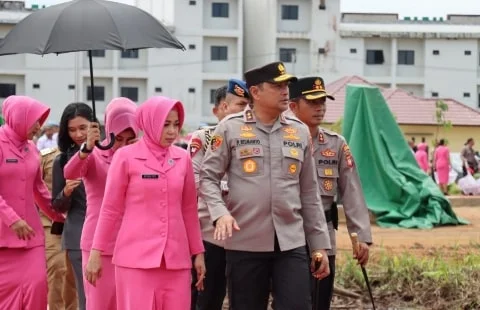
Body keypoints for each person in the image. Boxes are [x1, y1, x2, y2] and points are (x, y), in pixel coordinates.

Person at [199, 62, 331, 310]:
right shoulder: (229, 128)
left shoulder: (299, 132)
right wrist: (220, 214)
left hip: (291, 243)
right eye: (277, 86)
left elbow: (310, 193)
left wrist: (320, 245)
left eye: (286, 86)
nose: (285, 91)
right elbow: (208, 177)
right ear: (256, 92)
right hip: (245, 242)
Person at [86, 96, 206, 310]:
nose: (172, 131)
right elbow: (110, 209)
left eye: (176, 124)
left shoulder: (182, 158)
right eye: (165, 124)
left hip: (175, 260)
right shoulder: (125, 156)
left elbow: (188, 209)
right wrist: (96, 253)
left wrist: (198, 253)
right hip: (135, 260)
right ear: (150, 122)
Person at [288, 77, 373, 310]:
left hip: (324, 236)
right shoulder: (283, 141)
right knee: (290, 300)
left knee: (320, 300)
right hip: (288, 234)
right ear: (293, 106)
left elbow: (352, 190)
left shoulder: (336, 144)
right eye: (313, 102)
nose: (320, 108)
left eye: (323, 102)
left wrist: (361, 236)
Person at [63, 98, 139, 310]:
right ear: (109, 131)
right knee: (99, 304)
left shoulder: (141, 157)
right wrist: (86, 148)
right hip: (98, 246)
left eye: (130, 139)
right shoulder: (94, 154)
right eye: (119, 139)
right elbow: (70, 172)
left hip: (132, 244)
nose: (123, 145)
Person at [188, 79, 250, 310]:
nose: (246, 112)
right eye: (240, 105)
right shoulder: (204, 138)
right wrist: (236, 189)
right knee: (206, 300)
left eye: (249, 107)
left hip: (247, 235)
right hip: (209, 235)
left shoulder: (255, 141)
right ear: (220, 109)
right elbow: (197, 182)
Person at [0, 95, 65, 310]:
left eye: (40, 120)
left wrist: (59, 215)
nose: (39, 126)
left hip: (31, 236)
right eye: (34, 120)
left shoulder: (32, 149)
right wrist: (11, 219)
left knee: (38, 285)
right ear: (18, 117)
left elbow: (39, 189)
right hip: (3, 238)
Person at [52, 103, 92, 310]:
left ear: (94, 126)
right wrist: (66, 192)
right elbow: (56, 206)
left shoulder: (107, 154)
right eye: (72, 129)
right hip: (78, 235)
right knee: (86, 295)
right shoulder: (62, 161)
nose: (78, 134)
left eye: (83, 128)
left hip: (112, 235)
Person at [40, 146, 78, 310]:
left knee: (76, 276)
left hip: (83, 224)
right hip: (52, 224)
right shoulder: (47, 157)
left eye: (83, 128)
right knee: (58, 269)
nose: (78, 133)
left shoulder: (98, 155)